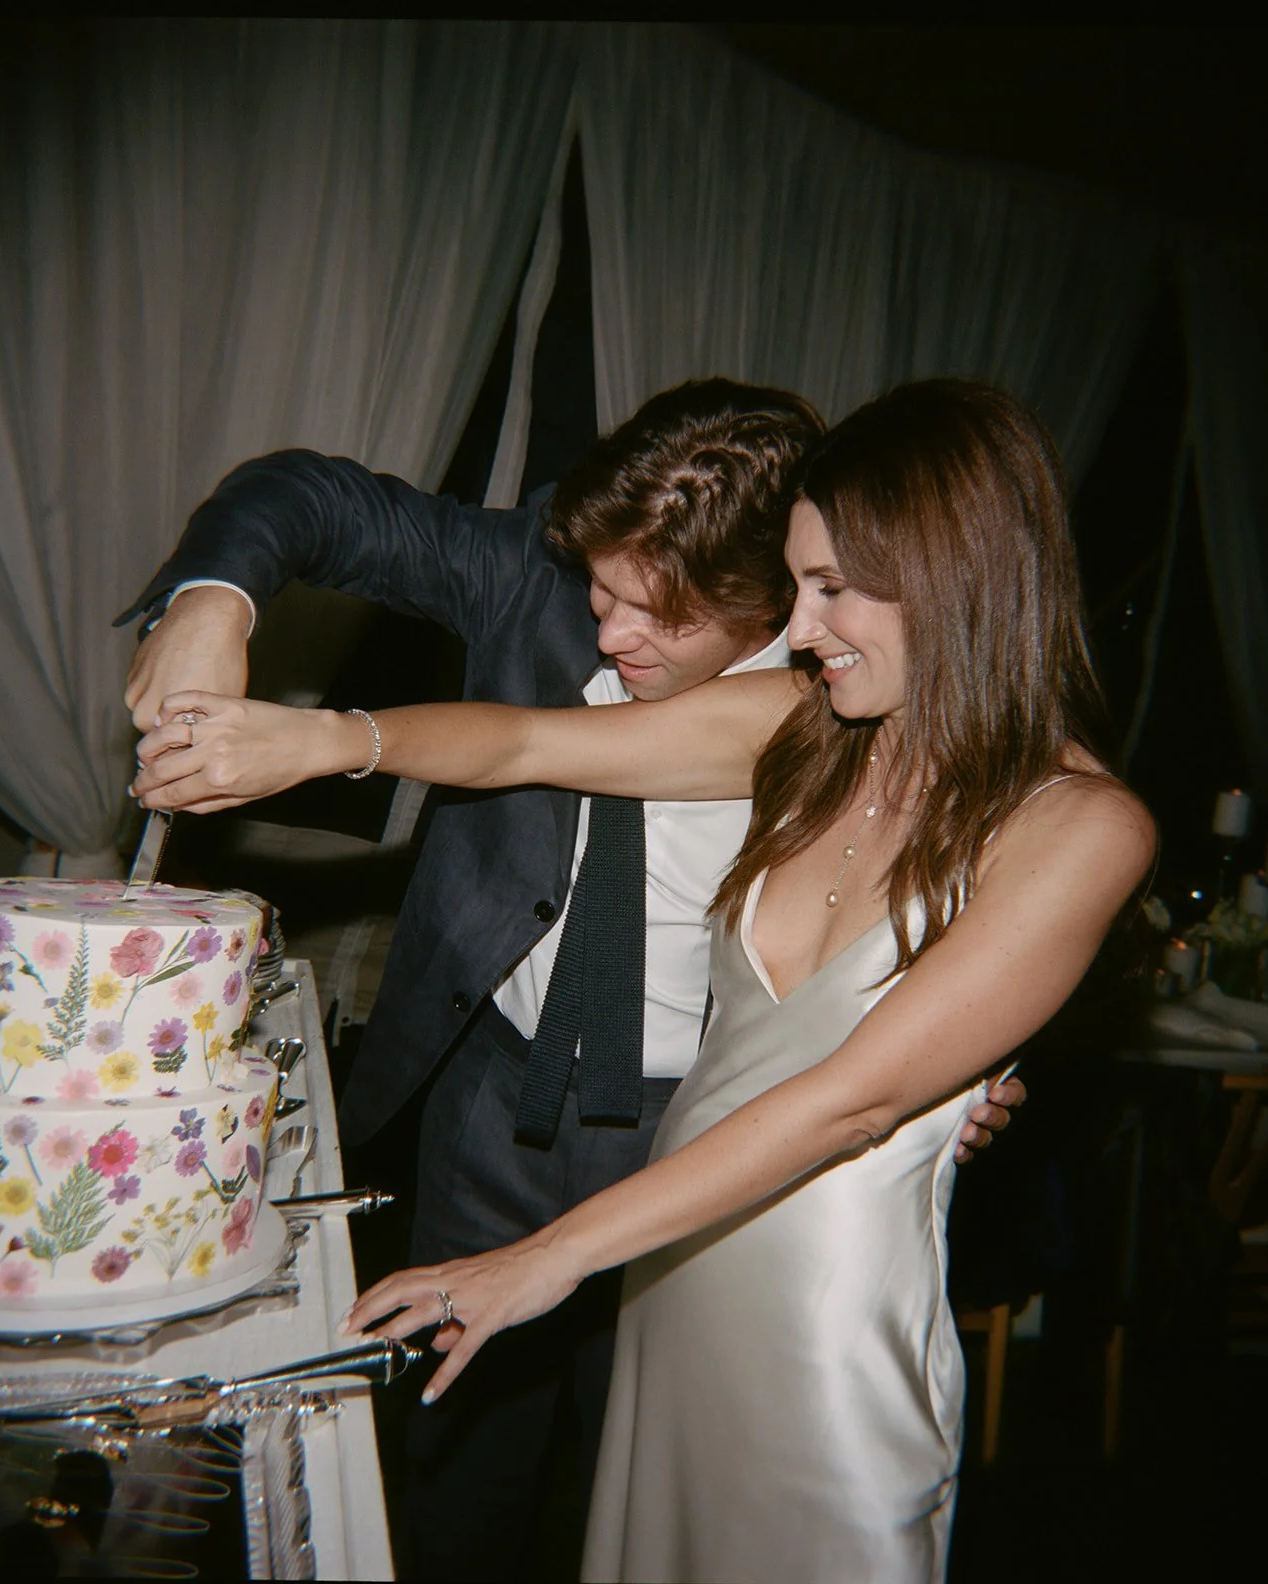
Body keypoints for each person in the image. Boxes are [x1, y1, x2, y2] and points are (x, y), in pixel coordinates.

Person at [130, 376, 1156, 1583]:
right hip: (578, 1166)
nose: (805, 627)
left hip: (800, 1275)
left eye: (826, 588)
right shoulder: (806, 715)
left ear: (939, 578)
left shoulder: (1032, 801)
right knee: (505, 1503)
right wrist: (312, 729)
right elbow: (525, 739)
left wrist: (554, 1252)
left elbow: (859, 1090)